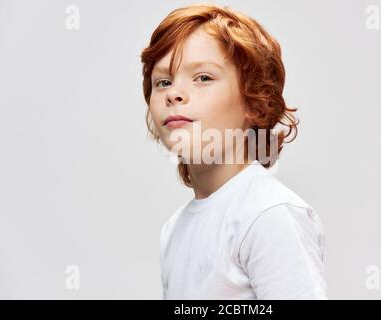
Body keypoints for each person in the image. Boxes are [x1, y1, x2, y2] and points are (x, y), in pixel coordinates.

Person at [140, 3, 327, 299]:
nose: (174, 93)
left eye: (203, 77)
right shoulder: (174, 230)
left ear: (255, 103)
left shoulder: (270, 215)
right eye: (163, 82)